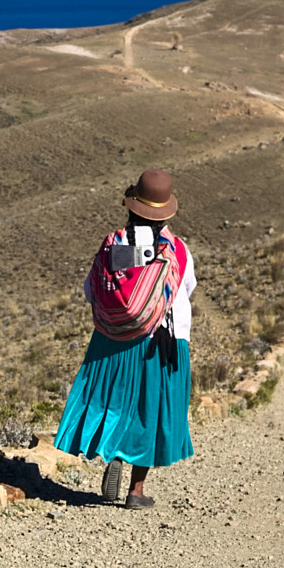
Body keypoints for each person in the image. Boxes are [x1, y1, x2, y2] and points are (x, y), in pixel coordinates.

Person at [54, 169, 195, 508]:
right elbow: (186, 291)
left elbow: (91, 291)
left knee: (114, 400)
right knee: (152, 410)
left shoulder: (113, 244)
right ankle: (136, 491)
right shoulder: (177, 249)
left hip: (112, 340)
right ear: (166, 212)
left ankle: (115, 448)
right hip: (163, 341)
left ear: (131, 207)